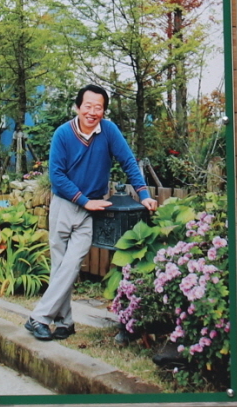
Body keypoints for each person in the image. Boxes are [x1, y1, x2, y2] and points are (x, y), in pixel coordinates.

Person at [25, 85, 158, 341]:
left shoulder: (109, 131)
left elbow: (128, 162)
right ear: (78, 107)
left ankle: (38, 318)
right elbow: (56, 176)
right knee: (60, 268)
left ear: (104, 111)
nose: (92, 112)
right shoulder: (63, 134)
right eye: (88, 106)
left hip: (92, 210)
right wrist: (84, 201)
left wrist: (144, 194)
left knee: (72, 264)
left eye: (98, 107)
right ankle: (65, 322)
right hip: (65, 205)